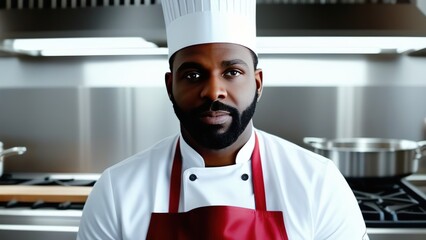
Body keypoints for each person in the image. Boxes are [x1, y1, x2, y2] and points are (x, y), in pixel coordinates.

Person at [77, 0, 369, 239]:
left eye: (232, 72)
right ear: (170, 87)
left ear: (258, 82)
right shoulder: (117, 190)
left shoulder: (317, 182)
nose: (213, 91)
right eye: (192, 75)